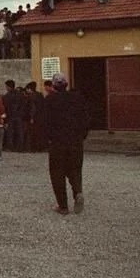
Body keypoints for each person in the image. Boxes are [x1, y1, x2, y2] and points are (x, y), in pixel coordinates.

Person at [41, 72, 90, 214]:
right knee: (74, 169)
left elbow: (44, 122)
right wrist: (81, 136)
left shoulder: (50, 100)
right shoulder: (77, 99)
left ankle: (63, 205)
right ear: (66, 85)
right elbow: (86, 119)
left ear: (54, 86)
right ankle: (77, 192)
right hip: (75, 142)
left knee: (57, 173)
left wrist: (48, 138)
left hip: (57, 143)